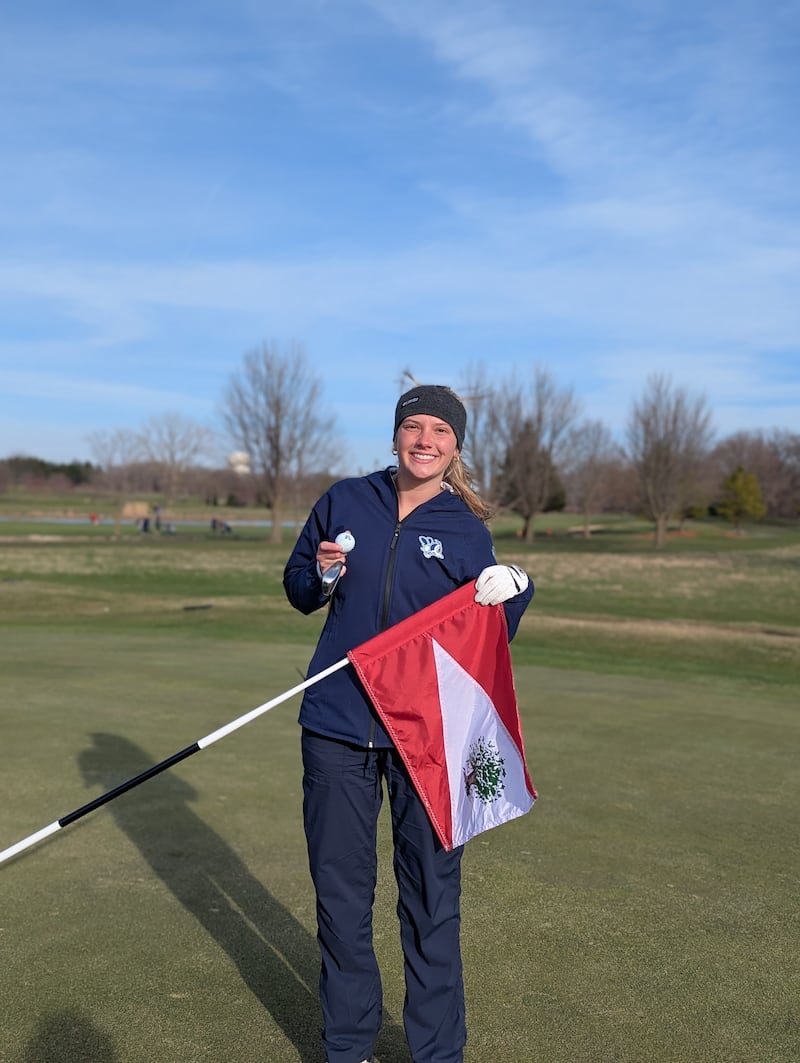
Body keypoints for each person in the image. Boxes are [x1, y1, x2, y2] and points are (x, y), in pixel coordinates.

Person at [283, 383, 534, 1063]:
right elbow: (300, 589)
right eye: (413, 427)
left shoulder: (463, 527)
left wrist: (519, 588)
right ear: (396, 434)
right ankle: (348, 1046)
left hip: (426, 734)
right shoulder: (343, 499)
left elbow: (489, 624)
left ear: (455, 445)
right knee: (341, 897)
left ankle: (436, 1052)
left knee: (430, 899)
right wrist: (324, 575)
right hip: (336, 727)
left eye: (440, 432)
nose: (425, 440)